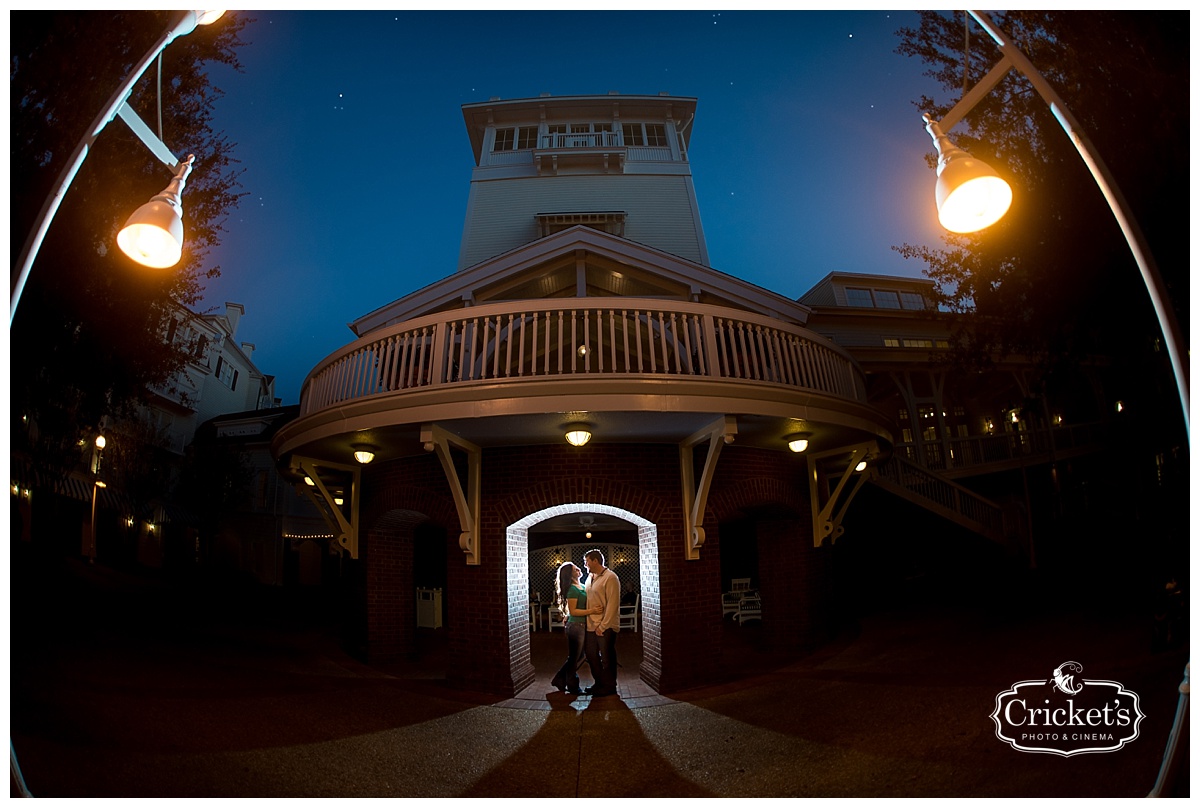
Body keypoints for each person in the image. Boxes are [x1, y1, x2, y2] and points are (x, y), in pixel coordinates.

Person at [550, 562, 599, 695]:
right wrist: (592, 610)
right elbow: (574, 611)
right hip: (576, 626)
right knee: (575, 657)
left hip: (582, 626)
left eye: (577, 568)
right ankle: (572, 686)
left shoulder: (581, 586)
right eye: (575, 569)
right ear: (570, 575)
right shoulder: (572, 589)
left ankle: (559, 679)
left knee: (578, 656)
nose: (579, 570)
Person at [582, 548, 621, 697]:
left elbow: (613, 604)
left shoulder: (610, 578)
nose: (585, 565)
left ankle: (610, 686)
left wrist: (603, 626)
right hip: (591, 625)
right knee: (591, 655)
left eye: (587, 562)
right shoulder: (590, 577)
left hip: (606, 626)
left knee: (607, 657)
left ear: (595, 561)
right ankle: (599, 682)